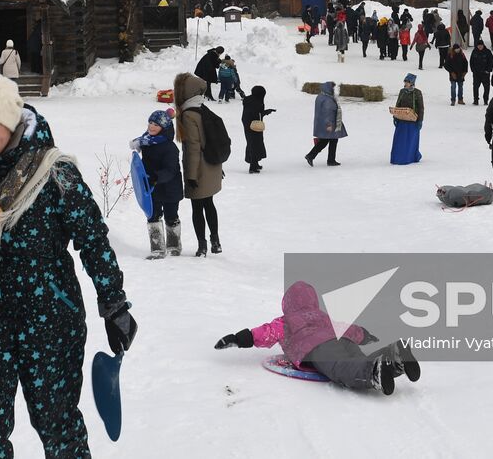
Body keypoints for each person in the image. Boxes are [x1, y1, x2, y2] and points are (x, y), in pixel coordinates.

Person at [0, 73, 133, 456]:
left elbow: (92, 239)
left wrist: (114, 303)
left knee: (58, 426)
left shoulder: (54, 173)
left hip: (50, 319)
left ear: (12, 121)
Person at [212, 281, 418, 395]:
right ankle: (394, 355)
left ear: (288, 304)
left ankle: (375, 372)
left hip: (318, 348)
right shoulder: (322, 316)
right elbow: (346, 329)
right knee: (357, 359)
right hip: (343, 340)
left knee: (342, 368)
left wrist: (237, 339)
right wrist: (364, 335)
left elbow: (263, 333)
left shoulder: (287, 320)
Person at [174, 72, 225, 255]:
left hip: (199, 168)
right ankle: (215, 240)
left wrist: (191, 175)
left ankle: (202, 246)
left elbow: (194, 147)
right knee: (209, 204)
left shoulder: (188, 114)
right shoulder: (202, 107)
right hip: (213, 164)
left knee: (197, 208)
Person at [131, 109, 184, 257]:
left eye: (156, 124)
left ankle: (174, 246)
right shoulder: (147, 142)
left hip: (169, 188)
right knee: (152, 216)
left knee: (171, 216)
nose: (151, 126)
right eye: (150, 122)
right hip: (152, 188)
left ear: (164, 127)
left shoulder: (169, 147)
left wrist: (155, 177)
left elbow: (171, 170)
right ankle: (157, 248)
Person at [307, 81, 346, 167]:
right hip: (329, 124)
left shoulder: (321, 96)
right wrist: (328, 124)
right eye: (332, 88)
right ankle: (314, 156)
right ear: (328, 88)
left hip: (321, 123)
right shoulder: (327, 99)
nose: (333, 89)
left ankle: (328, 159)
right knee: (328, 141)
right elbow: (327, 112)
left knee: (327, 141)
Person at [389, 74, 426, 165]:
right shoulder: (402, 91)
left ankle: (410, 157)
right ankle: (397, 158)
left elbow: (421, 108)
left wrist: (420, 120)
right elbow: (398, 104)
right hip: (402, 120)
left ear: (412, 83)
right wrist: (395, 116)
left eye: (407, 82)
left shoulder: (417, 92)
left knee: (410, 141)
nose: (405, 83)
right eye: (405, 81)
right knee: (399, 141)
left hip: (412, 122)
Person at [242, 85, 275, 173]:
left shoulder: (249, 99)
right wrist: (264, 112)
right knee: (255, 144)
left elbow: (256, 113)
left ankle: (255, 163)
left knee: (253, 143)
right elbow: (257, 113)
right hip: (254, 125)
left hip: (248, 124)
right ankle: (252, 166)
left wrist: (266, 111)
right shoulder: (256, 102)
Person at [469, 39, 493, 105]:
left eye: (481, 45)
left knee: (486, 88)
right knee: (475, 87)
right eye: (478, 46)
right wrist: (473, 70)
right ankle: (475, 100)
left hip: (485, 74)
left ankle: (485, 100)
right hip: (476, 73)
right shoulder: (474, 51)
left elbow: (491, 61)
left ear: (483, 45)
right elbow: (471, 62)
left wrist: (488, 70)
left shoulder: (487, 52)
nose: (480, 47)